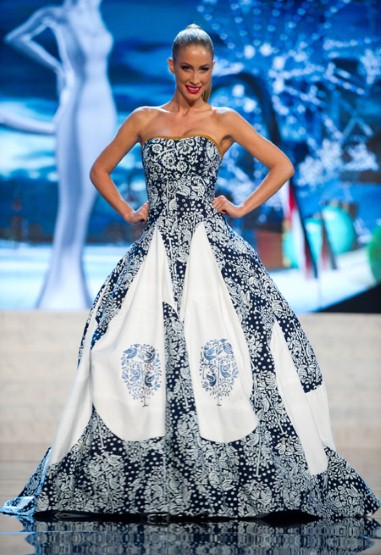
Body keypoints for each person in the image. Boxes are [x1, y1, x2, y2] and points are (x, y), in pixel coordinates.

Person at [0, 24, 379, 521]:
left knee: (236, 356)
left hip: (208, 248)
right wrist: (129, 211)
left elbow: (281, 165)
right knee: (112, 349)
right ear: (172, 67)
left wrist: (242, 208)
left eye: (204, 68)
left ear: (211, 69)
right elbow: (99, 169)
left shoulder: (224, 119)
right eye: (187, 68)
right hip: (154, 250)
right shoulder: (143, 119)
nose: (195, 77)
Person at [2, 0, 117, 309]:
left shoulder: (96, 10)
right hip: (77, 104)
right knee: (74, 198)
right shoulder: (58, 14)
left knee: (92, 190)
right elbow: (16, 38)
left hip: (103, 105)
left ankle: (74, 287)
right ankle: (61, 290)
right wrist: (55, 65)